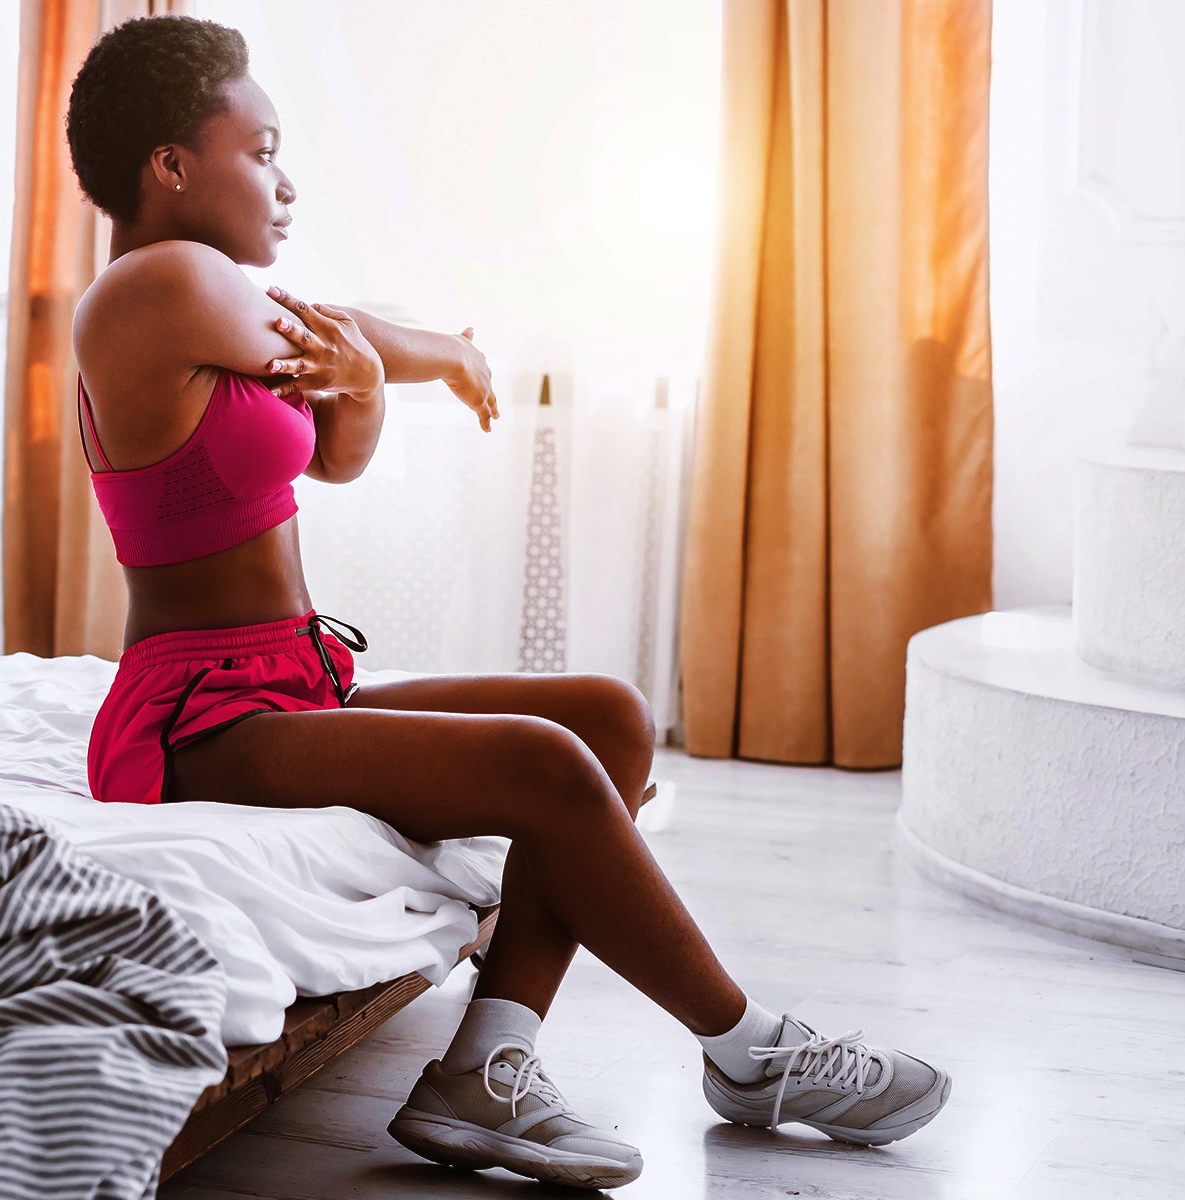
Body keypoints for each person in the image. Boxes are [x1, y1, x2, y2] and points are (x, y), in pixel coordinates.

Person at [65, 15, 951, 1189]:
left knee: (609, 717)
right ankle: (746, 1051)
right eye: (261, 147)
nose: (285, 179)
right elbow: (337, 340)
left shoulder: (209, 307)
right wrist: (425, 359)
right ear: (169, 167)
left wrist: (381, 381)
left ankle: (487, 1063)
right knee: (542, 761)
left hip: (284, 677)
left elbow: (330, 450)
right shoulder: (152, 287)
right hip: (197, 720)